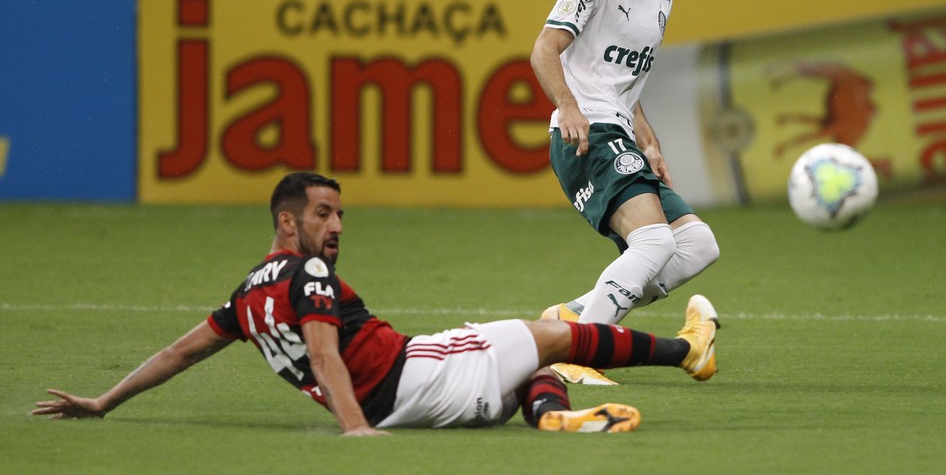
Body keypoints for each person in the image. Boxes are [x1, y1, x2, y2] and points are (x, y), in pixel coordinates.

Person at [34, 172, 719, 435]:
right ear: (286, 223)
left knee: (529, 368)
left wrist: (104, 401)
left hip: (405, 396)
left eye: (339, 214)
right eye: (323, 214)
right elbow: (328, 354)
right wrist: (357, 429)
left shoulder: (248, 296)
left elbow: (178, 353)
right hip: (412, 377)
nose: (335, 227)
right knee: (556, 332)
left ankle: (549, 417)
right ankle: (688, 352)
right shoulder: (307, 277)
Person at [529, 0, 721, 386]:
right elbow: (543, 50)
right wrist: (568, 108)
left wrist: (651, 144)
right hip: (585, 136)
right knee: (654, 242)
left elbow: (626, 87)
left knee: (698, 245)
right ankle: (577, 353)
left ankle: (572, 318)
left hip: (618, 131)